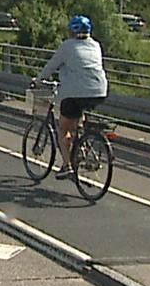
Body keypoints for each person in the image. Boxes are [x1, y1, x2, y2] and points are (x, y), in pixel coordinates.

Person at [35, 15, 107, 178]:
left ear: (72, 31)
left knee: (63, 128)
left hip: (75, 92)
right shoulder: (96, 45)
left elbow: (51, 66)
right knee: (77, 115)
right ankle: (82, 145)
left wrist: (38, 80)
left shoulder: (67, 46)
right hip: (99, 90)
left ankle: (67, 165)